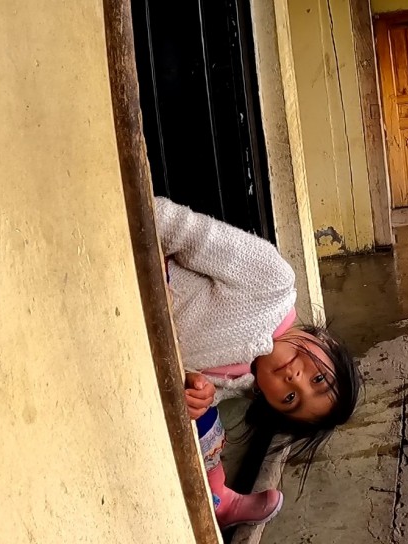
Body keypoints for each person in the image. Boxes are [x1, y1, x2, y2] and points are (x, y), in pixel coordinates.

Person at [154, 196, 361, 529]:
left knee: (205, 420)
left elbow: (181, 365)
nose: (295, 379)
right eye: (318, 379)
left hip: (123, 332)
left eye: (291, 399)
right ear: (328, 342)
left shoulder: (243, 380)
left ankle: (218, 497)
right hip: (126, 266)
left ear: (269, 400)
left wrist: (197, 389)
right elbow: (173, 223)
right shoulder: (272, 280)